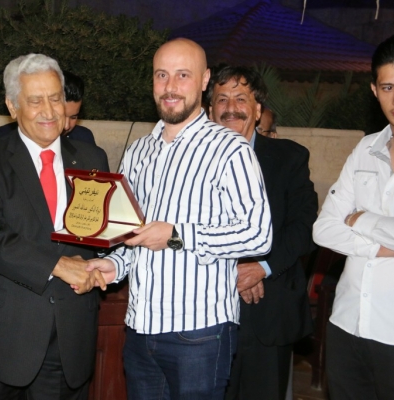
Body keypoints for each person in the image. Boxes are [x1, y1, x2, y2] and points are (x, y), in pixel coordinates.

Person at [87, 38, 272, 399]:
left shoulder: (230, 149)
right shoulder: (138, 151)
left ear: (204, 80)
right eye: (162, 75)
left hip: (199, 333)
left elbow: (258, 234)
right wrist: (114, 265)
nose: (170, 87)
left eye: (182, 75)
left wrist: (176, 234)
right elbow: (133, 235)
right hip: (140, 328)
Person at [0, 53, 110, 400]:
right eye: (36, 101)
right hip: (0, 335)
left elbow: (97, 235)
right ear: (12, 106)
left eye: (56, 98)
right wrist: (58, 265)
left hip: (69, 335)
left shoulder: (93, 159)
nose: (49, 111)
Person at [207, 65, 317, 400]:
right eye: (222, 99)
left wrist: (261, 267)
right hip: (205, 315)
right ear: (209, 110)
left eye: (241, 99)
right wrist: (233, 268)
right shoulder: (191, 162)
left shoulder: (289, 158)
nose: (231, 108)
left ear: (257, 110)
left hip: (269, 311)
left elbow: (304, 227)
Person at [313, 32, 394, 400]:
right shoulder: (366, 149)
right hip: (346, 323)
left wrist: (360, 220)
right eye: (388, 87)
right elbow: (323, 229)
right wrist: (379, 248)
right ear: (374, 90)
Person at [0, 70, 96, 145]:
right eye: (61, 115)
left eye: (73, 117)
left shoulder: (84, 139)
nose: (67, 126)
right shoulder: (2, 138)